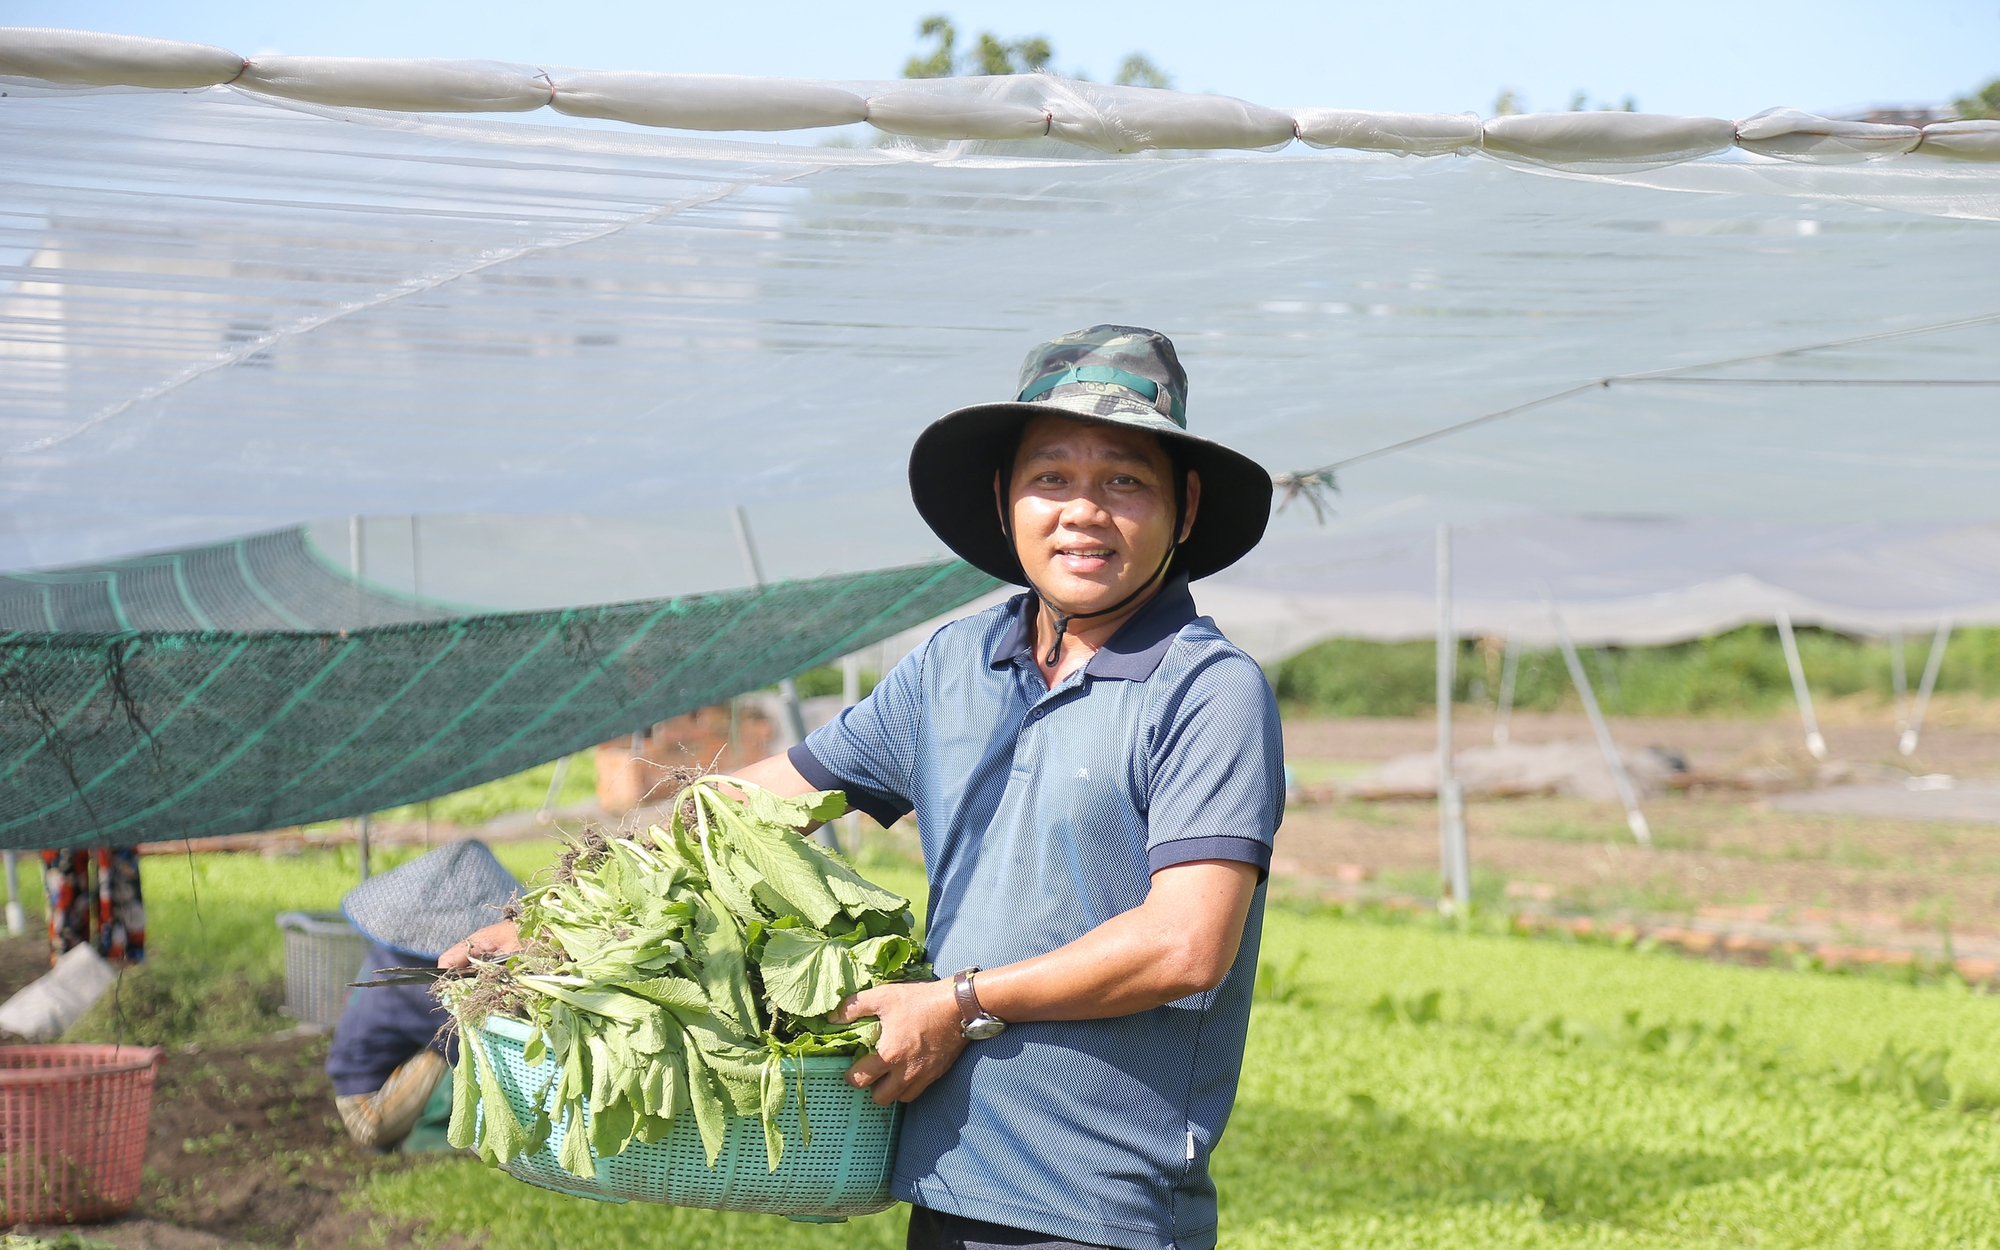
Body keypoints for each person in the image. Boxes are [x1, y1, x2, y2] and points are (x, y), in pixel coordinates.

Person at [443, 325, 1281, 1250]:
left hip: (1098, 1205)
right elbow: (752, 806)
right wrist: (560, 920)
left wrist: (957, 1003)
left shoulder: (1208, 690)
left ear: (1186, 506)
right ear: (1005, 498)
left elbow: (1184, 945)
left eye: (1125, 479)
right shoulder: (956, 664)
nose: (1083, 510)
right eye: (1051, 477)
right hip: (947, 1171)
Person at [330, 839, 519, 1151]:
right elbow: (467, 1042)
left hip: (368, 1078)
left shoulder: (393, 955)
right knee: (468, 1038)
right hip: (368, 1109)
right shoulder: (417, 982)